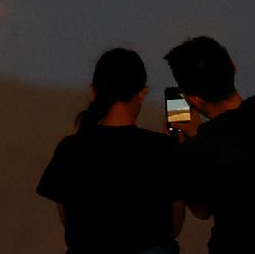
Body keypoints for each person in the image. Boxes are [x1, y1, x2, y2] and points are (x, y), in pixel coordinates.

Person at [165, 36, 255, 254]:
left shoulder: (205, 145)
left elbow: (201, 209)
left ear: (194, 99)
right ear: (232, 66)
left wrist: (188, 144)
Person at [37, 48, 185, 254]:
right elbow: (174, 227)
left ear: (93, 91)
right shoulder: (163, 149)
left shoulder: (70, 149)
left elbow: (68, 222)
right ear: (142, 93)